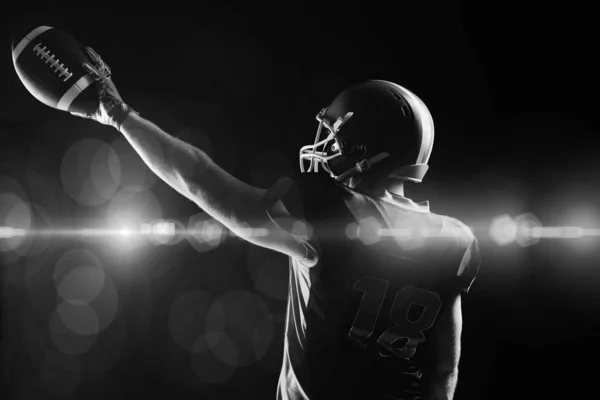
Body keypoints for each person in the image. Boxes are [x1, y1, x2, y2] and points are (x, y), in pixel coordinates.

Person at [73, 46, 480, 400]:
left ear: (364, 149)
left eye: (335, 137)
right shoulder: (455, 241)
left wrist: (119, 115)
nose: (325, 145)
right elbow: (444, 368)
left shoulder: (332, 214)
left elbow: (199, 178)